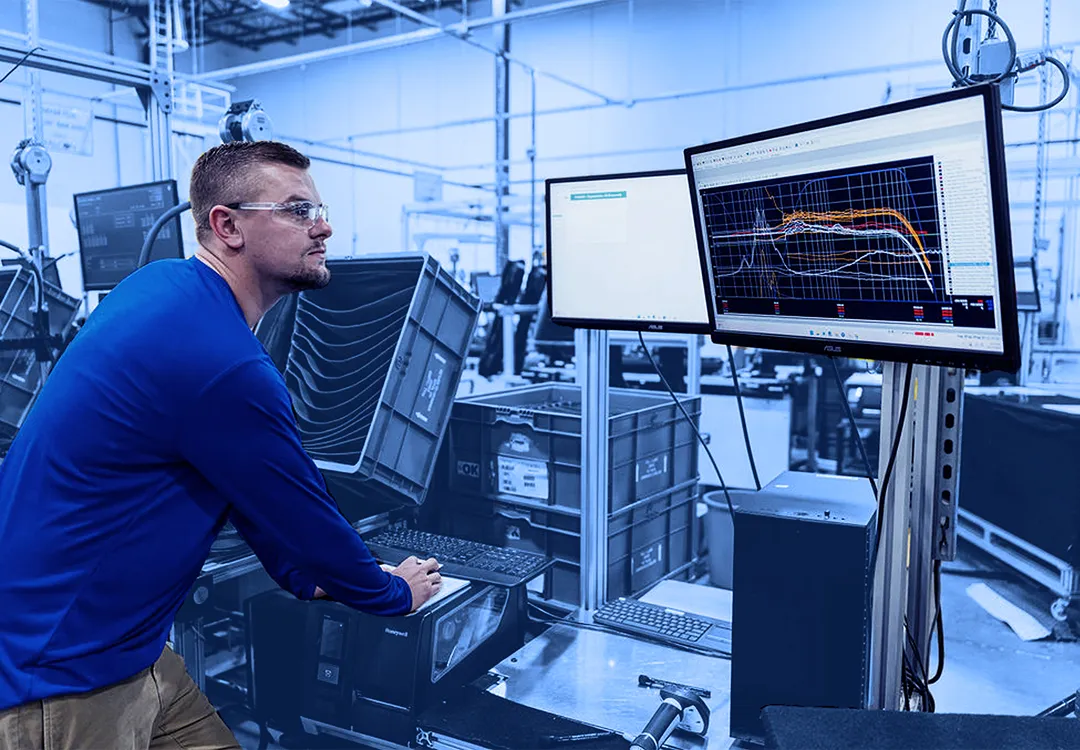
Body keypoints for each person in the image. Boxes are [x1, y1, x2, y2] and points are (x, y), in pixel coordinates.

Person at [0, 141, 442, 750]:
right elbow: (304, 509)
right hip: (61, 677)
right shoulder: (223, 363)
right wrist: (390, 593)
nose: (324, 226)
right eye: (296, 211)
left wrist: (301, 574)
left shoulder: (162, 285)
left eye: (319, 208)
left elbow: (242, 479)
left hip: (131, 648)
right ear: (226, 225)